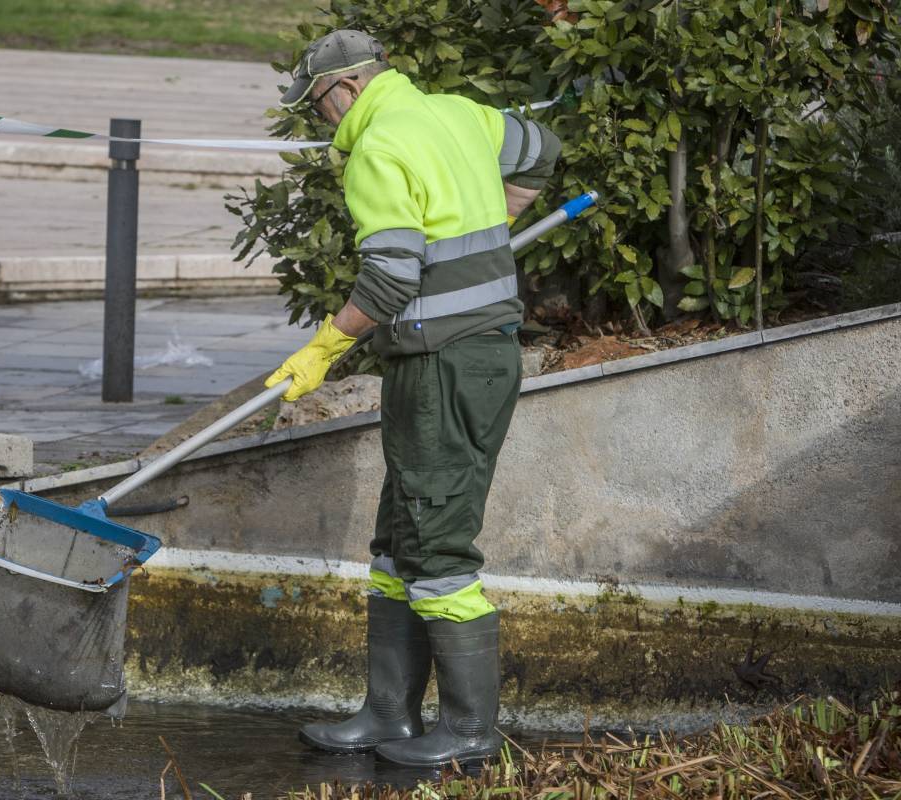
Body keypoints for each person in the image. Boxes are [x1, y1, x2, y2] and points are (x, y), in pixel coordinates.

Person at [266, 29, 560, 768]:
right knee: (400, 538)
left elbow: (392, 276)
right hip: (463, 358)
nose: (321, 118)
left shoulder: (378, 147)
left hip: (443, 365)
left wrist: (326, 347)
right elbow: (541, 148)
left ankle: (469, 732)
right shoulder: (458, 112)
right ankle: (389, 714)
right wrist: (498, 221)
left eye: (318, 103)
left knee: (436, 545)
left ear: (348, 87)